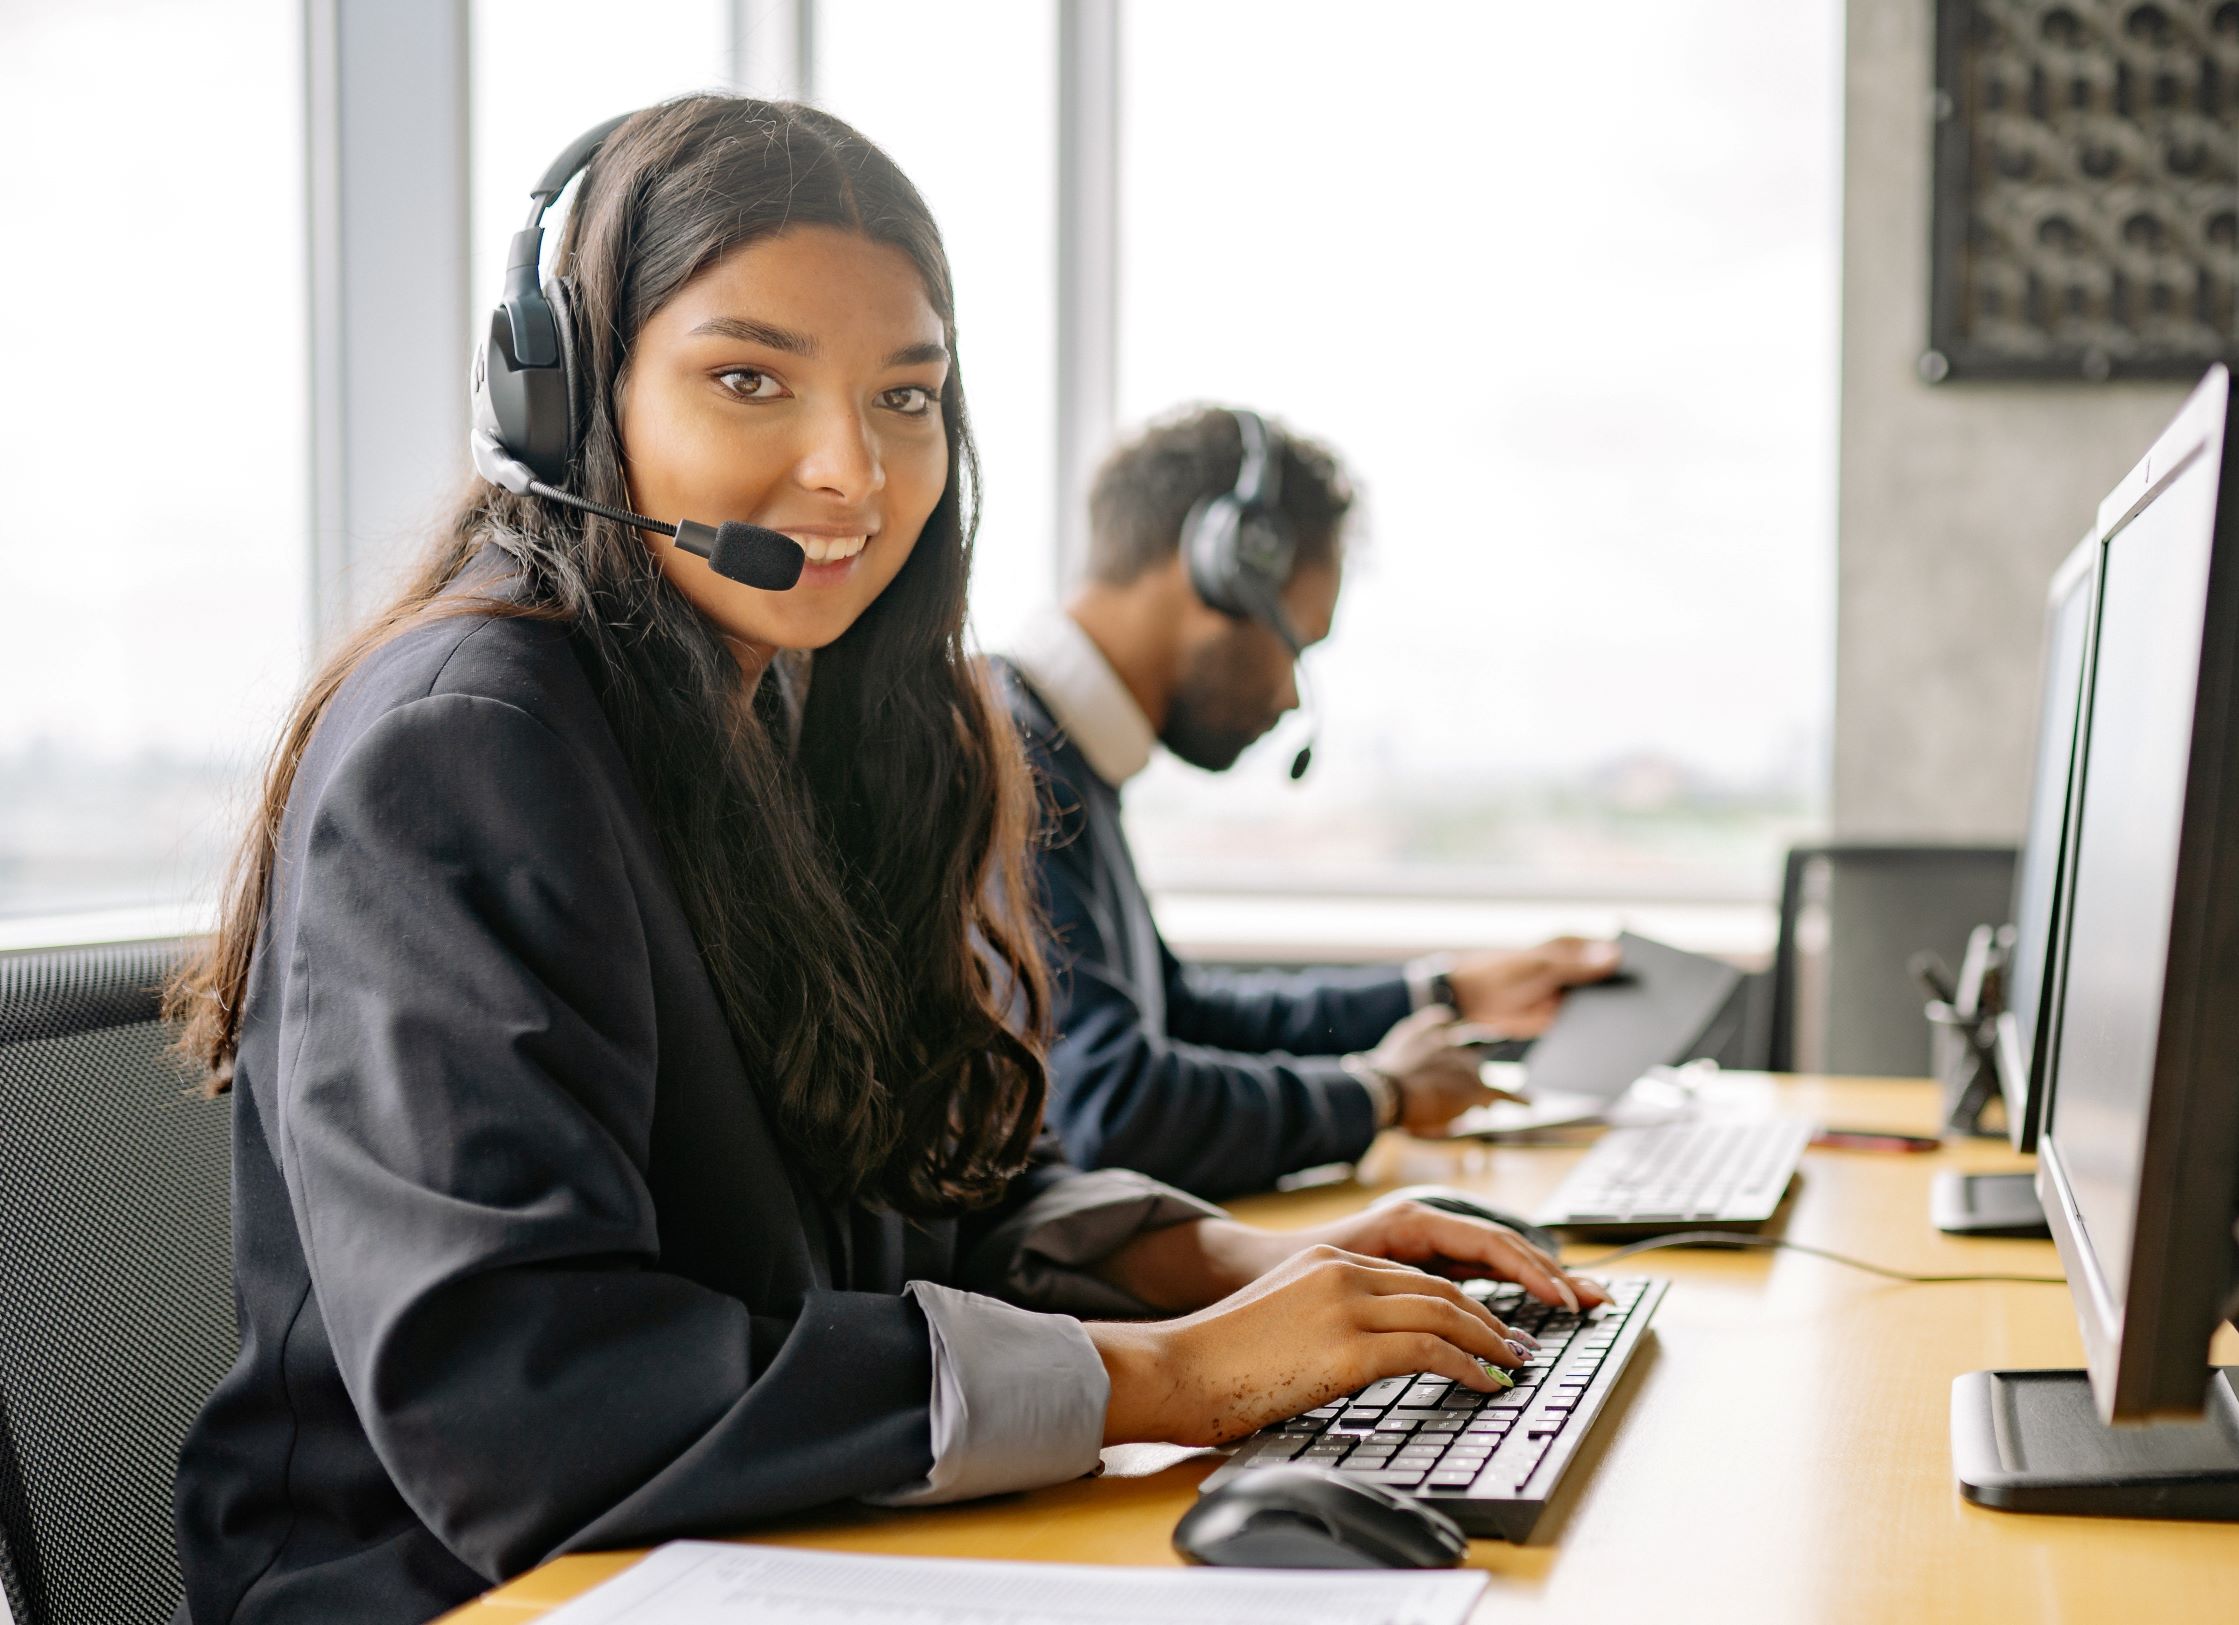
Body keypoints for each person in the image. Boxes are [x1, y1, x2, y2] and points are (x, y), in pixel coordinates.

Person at [165, 99, 1598, 1625]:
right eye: (747, 378)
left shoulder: (796, 709)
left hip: (763, 1552)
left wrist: (1231, 1261)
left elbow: (929, 1186)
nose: (850, 471)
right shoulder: (466, 744)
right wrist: (1160, 1378)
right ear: (567, 392)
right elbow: (522, 1401)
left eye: (904, 399)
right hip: (458, 1591)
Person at [995, 407, 1622, 1201]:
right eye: (1297, 641)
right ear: (1221, 569)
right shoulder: (1010, 764)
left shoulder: (1062, 749)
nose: (1292, 694)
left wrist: (1445, 993)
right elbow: (1111, 1108)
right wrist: (1377, 1095)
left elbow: (1178, 1014)